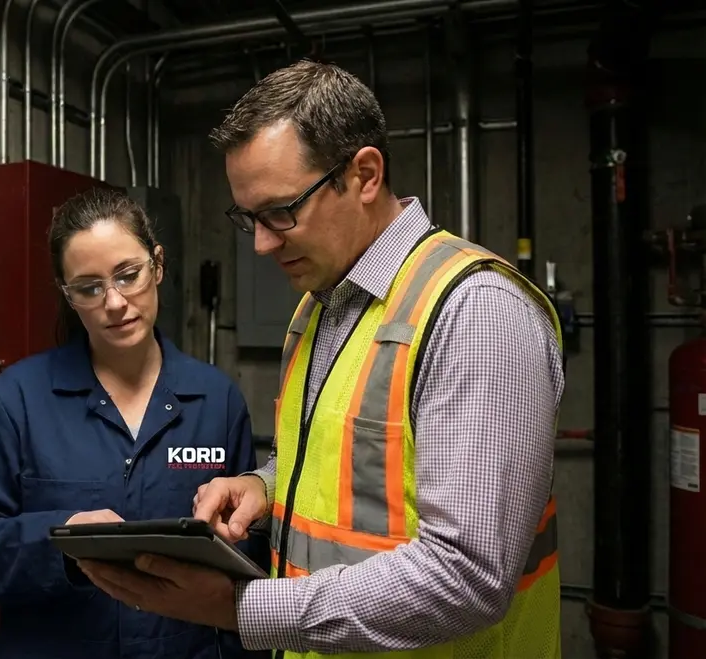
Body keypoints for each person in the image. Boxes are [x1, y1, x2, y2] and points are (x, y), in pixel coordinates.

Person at [75, 60, 565, 658]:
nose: (261, 243)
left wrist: (236, 607)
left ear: (363, 174)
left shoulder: (477, 314)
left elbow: (467, 577)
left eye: (282, 212)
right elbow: (349, 465)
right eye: (248, 218)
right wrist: (263, 485)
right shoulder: (320, 305)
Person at [0, 187, 267, 659]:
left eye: (128, 276)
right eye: (89, 287)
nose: (114, 302)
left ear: (158, 265)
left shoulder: (216, 400)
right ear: (68, 296)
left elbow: (249, 548)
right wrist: (64, 538)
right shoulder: (20, 398)